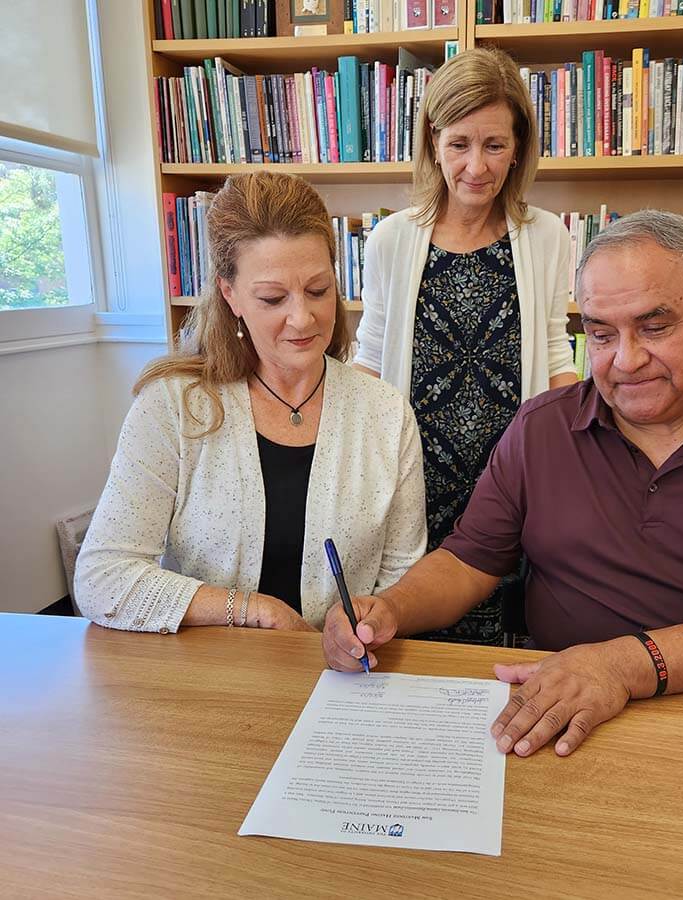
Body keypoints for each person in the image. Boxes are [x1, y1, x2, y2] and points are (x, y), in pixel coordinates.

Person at [323, 209, 683, 757]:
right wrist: (389, 609)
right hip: (557, 708)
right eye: (602, 335)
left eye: (654, 327)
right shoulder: (542, 427)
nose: (626, 360)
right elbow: (468, 561)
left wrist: (621, 665)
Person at [75, 171, 426, 634]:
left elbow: (402, 580)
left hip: (341, 672)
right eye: (273, 298)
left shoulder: (386, 414)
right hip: (212, 669)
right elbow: (101, 577)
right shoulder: (175, 407)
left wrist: (371, 621)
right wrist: (254, 610)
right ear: (230, 294)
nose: (302, 318)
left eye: (318, 290)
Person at [354, 47, 578, 646]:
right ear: (433, 143)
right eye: (459, 144)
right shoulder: (391, 239)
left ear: (519, 147)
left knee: (509, 646)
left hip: (511, 480)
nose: (476, 166)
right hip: (416, 477)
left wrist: (579, 460)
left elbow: (557, 355)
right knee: (410, 628)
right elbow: (369, 359)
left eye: (495, 145)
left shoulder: (547, 236)